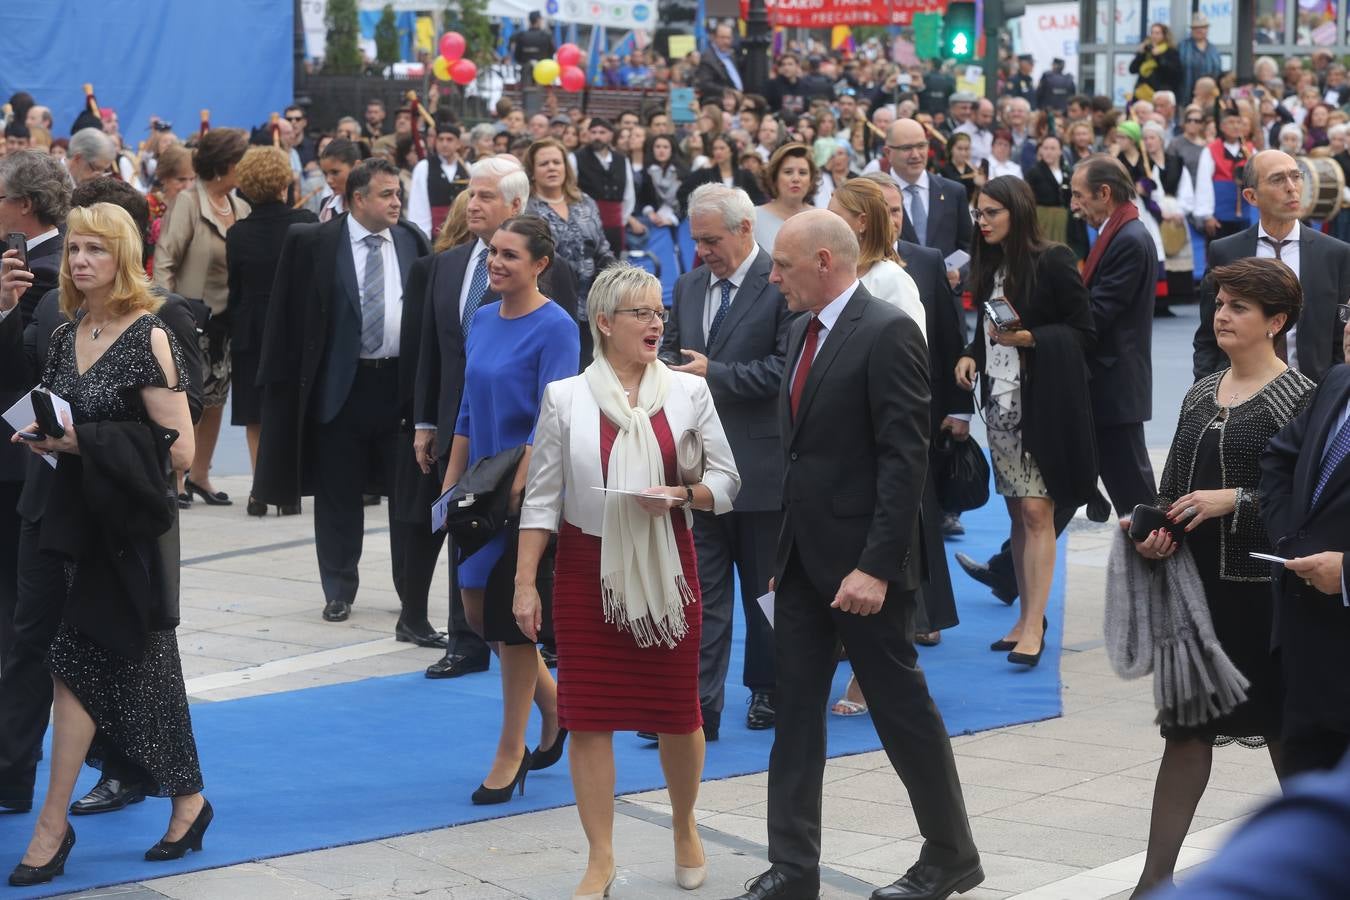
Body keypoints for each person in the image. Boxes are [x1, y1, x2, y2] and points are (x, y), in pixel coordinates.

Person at [731, 209, 982, 900]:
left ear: (822, 261)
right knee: (796, 711)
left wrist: (875, 565)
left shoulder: (886, 330)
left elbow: (905, 459)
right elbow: (801, 453)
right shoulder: (797, 330)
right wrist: (786, 555)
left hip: (865, 566)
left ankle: (950, 855)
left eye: (781, 265)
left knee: (902, 713)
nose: (772, 276)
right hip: (804, 561)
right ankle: (792, 866)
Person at [518, 263, 738, 897]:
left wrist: (680, 494)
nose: (656, 323)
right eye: (641, 313)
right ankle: (601, 857)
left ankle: (685, 825)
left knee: (678, 712)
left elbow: (727, 482)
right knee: (588, 718)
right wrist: (525, 583)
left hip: (669, 563)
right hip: (589, 569)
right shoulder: (566, 397)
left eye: (660, 312)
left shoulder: (689, 393)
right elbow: (541, 501)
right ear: (604, 322)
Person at [6, 203, 208, 887]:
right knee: (137, 671)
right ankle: (188, 799)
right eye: (74, 250)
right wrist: (43, 434)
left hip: (121, 536)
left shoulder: (147, 334)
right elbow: (57, 411)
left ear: (123, 258)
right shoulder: (68, 334)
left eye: (96, 249)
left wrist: (80, 442)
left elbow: (177, 448)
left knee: (81, 671)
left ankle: (51, 826)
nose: (81, 260)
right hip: (63, 523)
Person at [1127, 258, 1313, 897]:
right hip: (1196, 592)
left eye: (1239, 307)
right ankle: (1153, 882)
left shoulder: (1300, 398)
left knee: (1286, 738)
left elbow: (1305, 506)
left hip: (1264, 596)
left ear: (1277, 322)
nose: (1222, 315)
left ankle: (1322, 867)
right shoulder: (1200, 391)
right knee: (1185, 735)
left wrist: (1237, 499)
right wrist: (1153, 535)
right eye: (1221, 304)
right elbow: (1173, 487)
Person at [253, 159, 431, 626]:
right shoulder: (314, 241)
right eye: (386, 194)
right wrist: (280, 389)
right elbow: (286, 318)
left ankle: (409, 591)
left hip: (398, 389)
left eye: (399, 194)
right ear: (357, 199)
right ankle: (338, 588)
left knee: (405, 496)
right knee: (337, 495)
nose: (396, 203)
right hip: (339, 389)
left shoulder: (412, 240)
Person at [439, 215, 577, 806]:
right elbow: (469, 410)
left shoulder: (557, 327)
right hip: (480, 496)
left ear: (540, 264)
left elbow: (555, 421)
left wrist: (521, 493)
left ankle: (509, 751)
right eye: (493, 252)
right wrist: (449, 492)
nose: (496, 262)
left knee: (513, 624)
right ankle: (554, 705)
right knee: (477, 612)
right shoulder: (482, 319)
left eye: (510, 255)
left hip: (529, 494)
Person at [663, 184, 789, 740]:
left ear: (745, 230)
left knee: (765, 591)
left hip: (761, 470)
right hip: (699, 472)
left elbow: (782, 372)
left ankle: (770, 690)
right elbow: (669, 349)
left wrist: (712, 374)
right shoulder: (689, 285)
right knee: (705, 594)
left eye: (712, 240)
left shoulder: (781, 282)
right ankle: (699, 707)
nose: (703, 251)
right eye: (696, 241)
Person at [954, 177, 1097, 666]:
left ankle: (1035, 622)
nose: (984, 221)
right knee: (1018, 513)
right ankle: (1023, 618)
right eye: (979, 213)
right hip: (998, 405)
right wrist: (972, 355)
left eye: (992, 212)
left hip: (1041, 406)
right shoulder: (989, 264)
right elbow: (989, 328)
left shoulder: (1054, 259)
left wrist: (1032, 338)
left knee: (1038, 513)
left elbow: (1083, 332)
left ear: (1017, 211)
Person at [414, 156, 532, 680]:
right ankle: (465, 642)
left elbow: (559, 374)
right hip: (459, 425)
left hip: (515, 441)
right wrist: (424, 421)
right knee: (459, 526)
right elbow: (433, 353)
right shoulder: (448, 263)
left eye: (485, 195)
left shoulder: (546, 273)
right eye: (471, 194)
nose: (472, 203)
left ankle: (527, 640)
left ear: (515, 205)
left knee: (509, 544)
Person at [1259, 312, 1350, 777]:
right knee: (1310, 806)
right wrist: (1288, 539)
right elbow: (1279, 458)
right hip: (1306, 644)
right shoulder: (1337, 381)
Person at [153, 127, 251, 509]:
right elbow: (165, 259)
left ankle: (201, 475)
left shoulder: (241, 207)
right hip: (189, 320)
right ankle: (177, 476)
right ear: (225, 164)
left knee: (215, 401)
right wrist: (169, 314)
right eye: (241, 159)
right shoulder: (188, 203)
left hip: (225, 321)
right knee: (186, 401)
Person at [1195, 150, 1350, 385]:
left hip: (1313, 397)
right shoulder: (1226, 252)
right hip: (1239, 396)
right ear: (1251, 196)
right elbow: (1208, 335)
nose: (1291, 187)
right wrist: (1207, 390)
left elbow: (1340, 339)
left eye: (1296, 176)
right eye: (1278, 179)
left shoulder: (1334, 254)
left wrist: (1331, 395)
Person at [225, 146, 317, 515]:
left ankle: (260, 489)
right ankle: (289, 489)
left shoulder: (238, 234)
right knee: (292, 406)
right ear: (284, 181)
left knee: (254, 411)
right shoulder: (308, 222)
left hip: (251, 325)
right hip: (296, 325)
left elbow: (237, 287)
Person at [1069, 155, 1160, 517]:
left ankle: (1165, 569)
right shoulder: (1120, 231)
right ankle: (1006, 569)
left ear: (1104, 192)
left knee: (1138, 503)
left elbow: (1099, 313)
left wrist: (1043, 331)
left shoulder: (1129, 239)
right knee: (1065, 482)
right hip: (1104, 383)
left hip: (1114, 388)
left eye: (1079, 195)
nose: (1074, 205)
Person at [523, 137, 616, 364]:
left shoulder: (585, 202)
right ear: (532, 172)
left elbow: (602, 248)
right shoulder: (527, 208)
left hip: (592, 308)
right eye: (544, 164)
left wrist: (615, 280)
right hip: (549, 306)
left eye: (557, 162)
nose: (552, 167)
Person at [885, 119, 973, 292]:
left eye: (921, 146)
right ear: (888, 152)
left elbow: (970, 247)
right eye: (906, 148)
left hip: (945, 302)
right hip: (896, 302)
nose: (916, 154)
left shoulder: (953, 192)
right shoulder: (872, 195)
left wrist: (959, 272)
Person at [1192, 108, 1258, 243]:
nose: (1235, 126)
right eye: (1231, 122)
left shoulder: (1250, 150)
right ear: (1222, 126)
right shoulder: (1211, 150)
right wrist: (1207, 215)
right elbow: (1204, 183)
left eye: (1238, 122)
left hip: (1244, 215)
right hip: (1219, 216)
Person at [574, 118, 634, 255]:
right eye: (593, 132)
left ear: (611, 135)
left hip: (614, 225)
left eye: (602, 132)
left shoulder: (622, 160)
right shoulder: (576, 157)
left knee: (613, 265)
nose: (597, 136)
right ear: (588, 134)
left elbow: (629, 195)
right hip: (585, 223)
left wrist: (621, 220)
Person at [407, 116, 469, 242]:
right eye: (441, 139)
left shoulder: (467, 168)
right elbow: (418, 204)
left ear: (458, 143)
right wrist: (422, 237)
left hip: (462, 234)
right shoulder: (424, 167)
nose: (444, 144)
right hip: (434, 235)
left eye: (449, 139)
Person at [753, 143, 817, 251]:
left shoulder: (822, 218)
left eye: (802, 173)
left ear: (811, 180)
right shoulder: (754, 218)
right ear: (774, 178)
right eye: (788, 172)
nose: (796, 178)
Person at [678, 133, 765, 211]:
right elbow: (683, 193)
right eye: (715, 149)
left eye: (722, 148)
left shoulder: (745, 175)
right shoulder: (703, 174)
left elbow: (759, 198)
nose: (718, 152)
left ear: (731, 151)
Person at [1024, 136, 1072, 245]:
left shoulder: (1067, 172)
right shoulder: (1033, 172)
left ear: (1060, 151)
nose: (1048, 152)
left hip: (1063, 220)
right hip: (1042, 219)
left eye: (1052, 148)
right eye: (1045, 148)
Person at [1130, 23, 1182, 102]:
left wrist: (1157, 56)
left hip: (1160, 93)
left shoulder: (1170, 51)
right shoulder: (1146, 51)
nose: (1154, 36)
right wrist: (1141, 54)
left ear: (1164, 35)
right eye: (1152, 33)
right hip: (1142, 93)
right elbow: (1132, 69)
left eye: (1157, 33)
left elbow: (1172, 73)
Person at [695, 21, 744, 96]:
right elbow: (705, 84)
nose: (726, 41)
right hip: (720, 101)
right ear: (713, 38)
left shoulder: (732, 55)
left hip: (738, 99)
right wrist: (730, 92)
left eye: (728, 38)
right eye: (722, 37)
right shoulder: (708, 58)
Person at [317, 138, 360, 223]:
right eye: (325, 174)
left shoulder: (372, 207)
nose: (328, 180)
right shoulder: (327, 205)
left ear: (356, 167)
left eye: (335, 172)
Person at [939, 131, 983, 208]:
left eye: (967, 149)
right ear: (951, 149)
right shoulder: (943, 171)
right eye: (959, 149)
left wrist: (980, 186)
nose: (963, 153)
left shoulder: (974, 170)